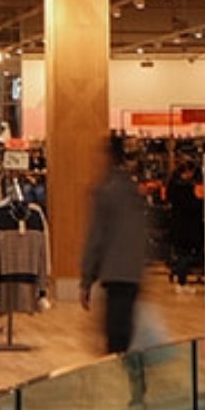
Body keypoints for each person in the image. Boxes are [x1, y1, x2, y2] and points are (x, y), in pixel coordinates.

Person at [80, 136, 148, 355]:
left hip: (115, 273)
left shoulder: (106, 191)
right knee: (125, 334)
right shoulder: (134, 190)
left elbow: (96, 236)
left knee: (115, 338)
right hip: (133, 273)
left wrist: (86, 279)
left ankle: (122, 381)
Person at [166, 157, 204, 289]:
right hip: (186, 227)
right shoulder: (184, 188)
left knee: (182, 253)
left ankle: (178, 274)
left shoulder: (173, 185)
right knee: (185, 253)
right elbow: (191, 205)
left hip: (178, 225)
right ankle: (181, 280)